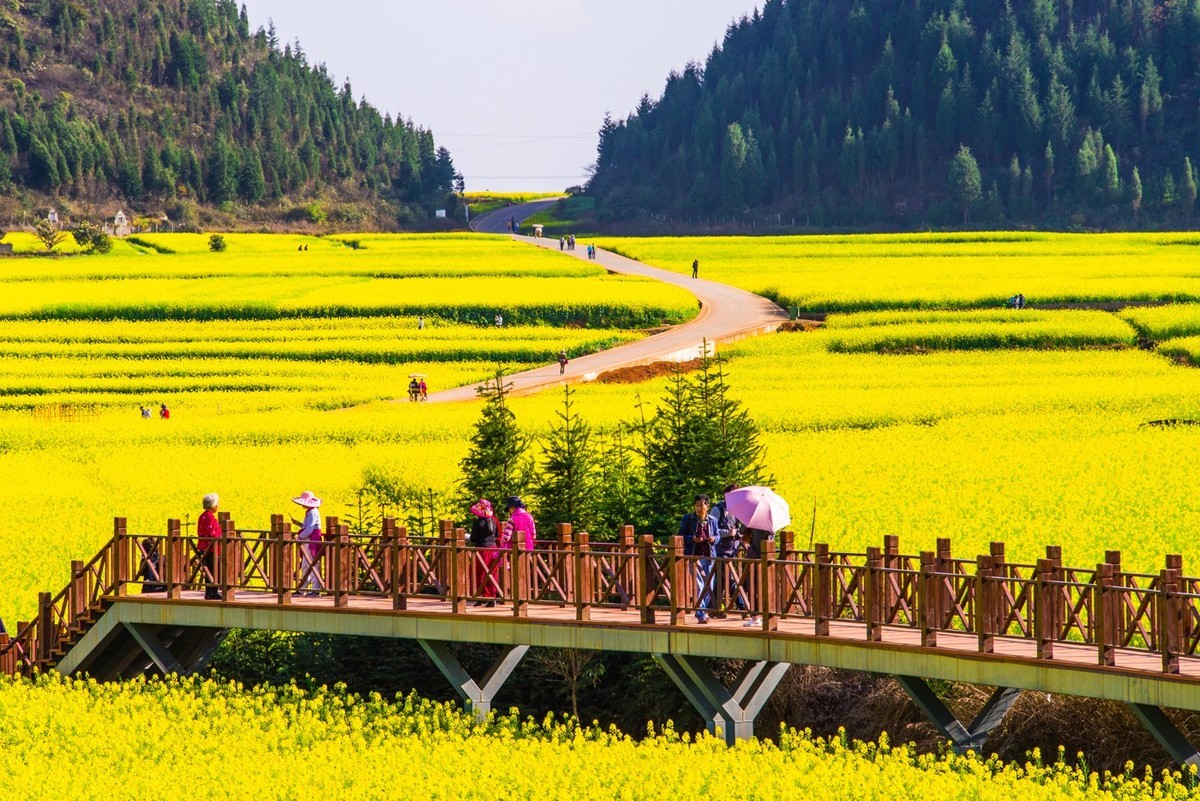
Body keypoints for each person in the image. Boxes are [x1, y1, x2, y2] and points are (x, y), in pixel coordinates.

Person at [678, 494, 721, 624]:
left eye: (702, 505)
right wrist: (692, 539)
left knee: (710, 585)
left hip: (709, 555)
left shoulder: (712, 520)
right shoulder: (688, 519)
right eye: (697, 505)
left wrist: (714, 539)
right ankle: (700, 613)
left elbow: (718, 535)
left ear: (707, 506)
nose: (699, 508)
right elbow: (680, 536)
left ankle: (703, 609)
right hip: (694, 555)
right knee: (699, 584)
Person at [712, 484, 742, 618]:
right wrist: (728, 533)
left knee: (721, 581)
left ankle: (712, 608)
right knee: (729, 579)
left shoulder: (738, 511)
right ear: (726, 495)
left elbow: (739, 531)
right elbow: (712, 531)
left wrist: (741, 540)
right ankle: (743, 607)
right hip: (721, 551)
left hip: (732, 551)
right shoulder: (718, 510)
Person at [469, 499, 501, 606]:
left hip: (482, 550)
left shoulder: (478, 522)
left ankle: (482, 596)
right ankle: (492, 596)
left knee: (480, 573)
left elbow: (473, 538)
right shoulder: (494, 520)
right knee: (491, 573)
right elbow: (497, 535)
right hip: (493, 549)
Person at [741, 526, 774, 627]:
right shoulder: (771, 526)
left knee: (752, 586)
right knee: (765, 588)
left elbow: (741, 531)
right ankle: (766, 615)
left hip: (754, 558)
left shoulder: (755, 522)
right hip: (767, 558)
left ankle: (755, 616)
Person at [291, 491, 323, 596]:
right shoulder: (310, 512)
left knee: (312, 564)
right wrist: (298, 523)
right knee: (305, 565)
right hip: (308, 540)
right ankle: (302, 589)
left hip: (311, 541)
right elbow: (307, 526)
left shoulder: (312, 512)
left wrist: (299, 537)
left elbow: (309, 529)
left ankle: (316, 589)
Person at [197, 493, 222, 600]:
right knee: (215, 569)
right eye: (217, 504)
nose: (218, 506)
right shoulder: (210, 517)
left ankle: (209, 592)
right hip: (211, 547)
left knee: (208, 570)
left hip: (204, 546)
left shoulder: (202, 516)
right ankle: (213, 592)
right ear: (213, 505)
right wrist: (221, 537)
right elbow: (212, 533)